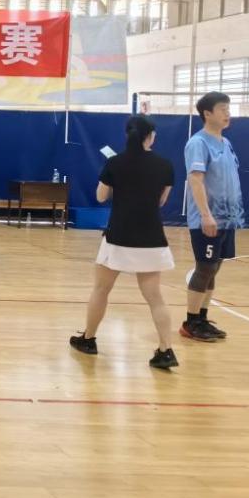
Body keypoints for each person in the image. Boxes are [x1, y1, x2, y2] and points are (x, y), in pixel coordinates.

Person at [71, 116, 177, 369]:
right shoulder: (165, 165)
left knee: (101, 289)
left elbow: (100, 196)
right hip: (152, 238)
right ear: (150, 136)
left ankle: (89, 339)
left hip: (118, 237)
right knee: (155, 297)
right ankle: (166, 350)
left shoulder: (115, 162)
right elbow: (161, 201)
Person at [182, 91, 243, 342]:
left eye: (228, 108)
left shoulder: (226, 142)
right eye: (222, 109)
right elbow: (195, 180)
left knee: (214, 268)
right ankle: (190, 322)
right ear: (207, 114)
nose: (227, 113)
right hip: (208, 219)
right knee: (205, 267)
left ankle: (202, 318)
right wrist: (206, 215)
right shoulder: (198, 143)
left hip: (227, 219)